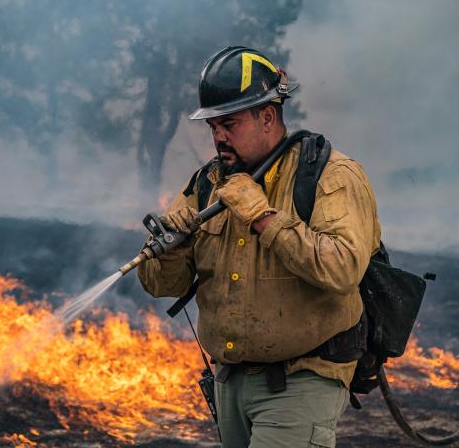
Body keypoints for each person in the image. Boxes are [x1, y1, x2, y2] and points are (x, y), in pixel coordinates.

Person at [137, 46, 381, 448]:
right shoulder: (207, 184)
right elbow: (163, 284)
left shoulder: (330, 175)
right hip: (229, 383)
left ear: (267, 116)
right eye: (213, 126)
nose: (218, 137)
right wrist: (172, 249)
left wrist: (264, 217)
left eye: (229, 124)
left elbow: (343, 269)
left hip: (300, 383)